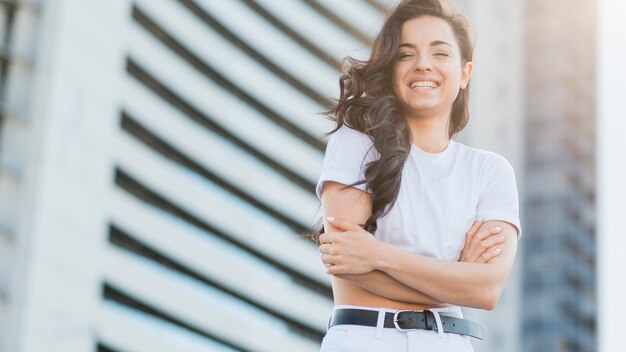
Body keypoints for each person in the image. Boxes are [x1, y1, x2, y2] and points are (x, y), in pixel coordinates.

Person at [313, 0, 522, 351]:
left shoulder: (490, 171)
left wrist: (379, 255)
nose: (423, 64)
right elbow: (347, 260)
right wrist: (454, 278)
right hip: (367, 338)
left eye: (440, 53)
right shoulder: (358, 139)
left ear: (465, 72)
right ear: (391, 69)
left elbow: (485, 290)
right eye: (406, 54)